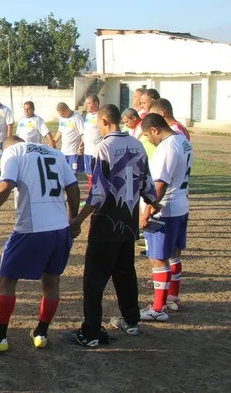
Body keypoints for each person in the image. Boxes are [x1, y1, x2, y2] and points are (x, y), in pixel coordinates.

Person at [0, 136, 79, 352]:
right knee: (51, 282)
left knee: (6, 280)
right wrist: (72, 220)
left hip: (31, 229)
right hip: (60, 229)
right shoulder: (55, 153)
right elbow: (74, 187)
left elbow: (5, 186)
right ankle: (41, 333)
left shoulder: (14, 152)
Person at [65, 105, 161, 347]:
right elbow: (148, 187)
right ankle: (131, 320)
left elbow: (97, 194)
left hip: (107, 223)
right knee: (125, 273)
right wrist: (152, 206)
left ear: (105, 121)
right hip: (128, 223)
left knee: (94, 279)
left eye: (98, 122)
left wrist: (76, 221)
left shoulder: (103, 148)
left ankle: (91, 331)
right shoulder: (138, 145)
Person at [139, 113, 193, 321]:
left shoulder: (167, 146)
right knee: (174, 254)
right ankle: (173, 298)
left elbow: (159, 186)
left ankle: (158, 309)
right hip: (180, 205)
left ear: (155, 129)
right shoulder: (184, 141)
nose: (149, 140)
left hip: (165, 209)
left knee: (158, 258)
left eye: (147, 135)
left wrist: (146, 212)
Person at [54, 102, 84, 176]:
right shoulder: (62, 118)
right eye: (60, 114)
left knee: (73, 175)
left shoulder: (77, 117)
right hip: (64, 152)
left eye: (63, 113)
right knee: (63, 173)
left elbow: (83, 134)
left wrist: (81, 146)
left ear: (67, 110)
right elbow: (60, 132)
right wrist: (54, 141)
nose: (61, 116)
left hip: (74, 152)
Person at [81, 94, 103, 190]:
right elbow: (86, 132)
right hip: (87, 151)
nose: (86, 106)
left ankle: (98, 196)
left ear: (96, 103)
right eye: (86, 104)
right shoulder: (88, 115)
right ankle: (91, 195)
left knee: (97, 175)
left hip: (96, 151)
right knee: (89, 174)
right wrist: (81, 145)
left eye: (89, 103)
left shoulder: (100, 115)